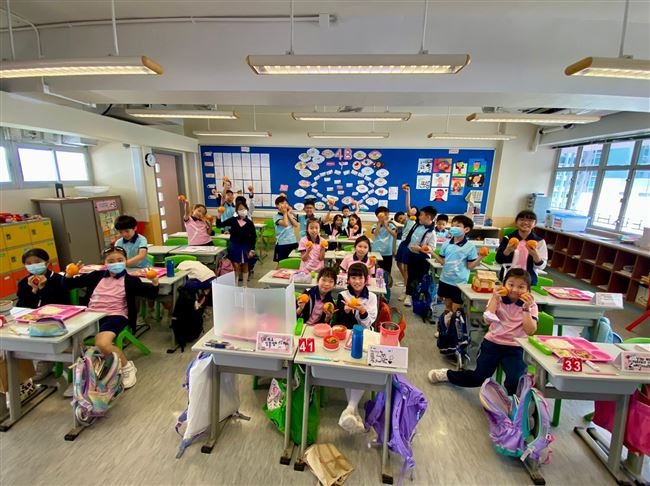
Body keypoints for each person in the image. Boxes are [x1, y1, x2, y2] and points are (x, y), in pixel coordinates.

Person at [427, 268, 538, 395]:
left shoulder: (531, 305)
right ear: (504, 284)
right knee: (479, 377)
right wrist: (495, 298)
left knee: (515, 380)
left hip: (516, 347)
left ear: (528, 290)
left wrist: (526, 309)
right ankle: (448, 375)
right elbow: (487, 320)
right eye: (511, 284)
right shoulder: (498, 298)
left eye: (521, 287)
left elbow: (530, 331)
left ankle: (512, 403)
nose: (515, 290)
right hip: (493, 343)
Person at [64, 246, 159, 388]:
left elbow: (151, 294)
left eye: (120, 260)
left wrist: (155, 281)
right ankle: (88, 369)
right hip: (90, 315)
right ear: (104, 263)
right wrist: (69, 274)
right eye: (111, 261)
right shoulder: (95, 276)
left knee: (102, 343)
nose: (116, 263)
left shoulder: (131, 280)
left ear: (126, 261)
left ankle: (127, 366)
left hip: (115, 315)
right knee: (67, 340)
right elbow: (68, 285)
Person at [335, 262, 378, 434]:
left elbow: (369, 323)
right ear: (348, 279)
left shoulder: (372, 297)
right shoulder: (343, 295)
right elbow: (340, 323)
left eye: (360, 278)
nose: (357, 281)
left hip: (365, 336)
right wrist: (345, 311)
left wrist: (362, 311)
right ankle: (353, 411)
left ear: (366, 279)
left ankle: (350, 409)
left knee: (360, 367)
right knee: (349, 366)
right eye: (353, 278)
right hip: (346, 337)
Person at [430, 215, 486, 312]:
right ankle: (447, 321)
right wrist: (431, 252)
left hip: (459, 282)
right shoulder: (446, 244)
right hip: (445, 279)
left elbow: (470, 266)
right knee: (447, 305)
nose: (453, 228)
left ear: (466, 229)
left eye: (458, 226)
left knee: (456, 309)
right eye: (452, 225)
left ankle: (453, 321)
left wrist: (480, 257)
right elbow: (442, 262)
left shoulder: (470, 246)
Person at [495, 210, 547, 286]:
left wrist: (535, 255)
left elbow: (542, 266)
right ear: (516, 222)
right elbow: (498, 260)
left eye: (530, 220)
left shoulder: (539, 242)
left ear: (534, 224)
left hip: (529, 280)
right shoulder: (508, 239)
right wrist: (507, 251)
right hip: (508, 278)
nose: (525, 223)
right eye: (522, 219)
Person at [215, 200, 256, 287]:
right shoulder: (233, 220)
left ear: (247, 210)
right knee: (235, 265)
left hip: (245, 246)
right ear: (237, 211)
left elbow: (253, 237)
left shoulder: (249, 222)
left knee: (245, 264)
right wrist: (219, 215)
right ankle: (235, 285)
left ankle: (245, 285)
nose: (242, 210)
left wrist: (252, 249)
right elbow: (219, 225)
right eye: (240, 209)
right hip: (234, 245)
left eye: (244, 209)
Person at [403, 205, 438, 307]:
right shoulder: (418, 226)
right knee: (411, 275)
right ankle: (409, 294)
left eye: (421, 215)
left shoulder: (432, 233)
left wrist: (420, 248)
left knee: (419, 278)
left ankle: (417, 295)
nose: (419, 216)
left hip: (422, 258)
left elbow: (432, 248)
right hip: (412, 254)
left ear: (428, 217)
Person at [395, 185, 418, 291]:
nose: (401, 220)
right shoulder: (404, 225)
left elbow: (408, 205)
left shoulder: (411, 219)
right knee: (398, 263)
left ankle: (406, 286)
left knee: (406, 267)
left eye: (401, 217)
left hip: (408, 245)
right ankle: (405, 280)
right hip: (403, 244)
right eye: (399, 219)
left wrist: (408, 192)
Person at [273, 195, 299, 264]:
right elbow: (285, 224)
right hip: (282, 244)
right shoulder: (276, 217)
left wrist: (288, 213)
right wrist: (285, 213)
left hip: (293, 242)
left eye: (286, 203)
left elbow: (296, 225)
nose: (284, 205)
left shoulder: (290, 215)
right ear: (277, 205)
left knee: (294, 263)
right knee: (282, 263)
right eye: (282, 203)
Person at [371, 206, 397, 274]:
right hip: (376, 251)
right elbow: (375, 233)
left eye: (387, 214)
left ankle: (387, 280)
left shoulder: (391, 225)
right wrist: (379, 223)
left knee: (387, 271)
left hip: (387, 252)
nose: (386, 216)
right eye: (383, 215)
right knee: (376, 271)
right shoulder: (375, 225)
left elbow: (395, 235)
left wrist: (387, 227)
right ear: (378, 216)